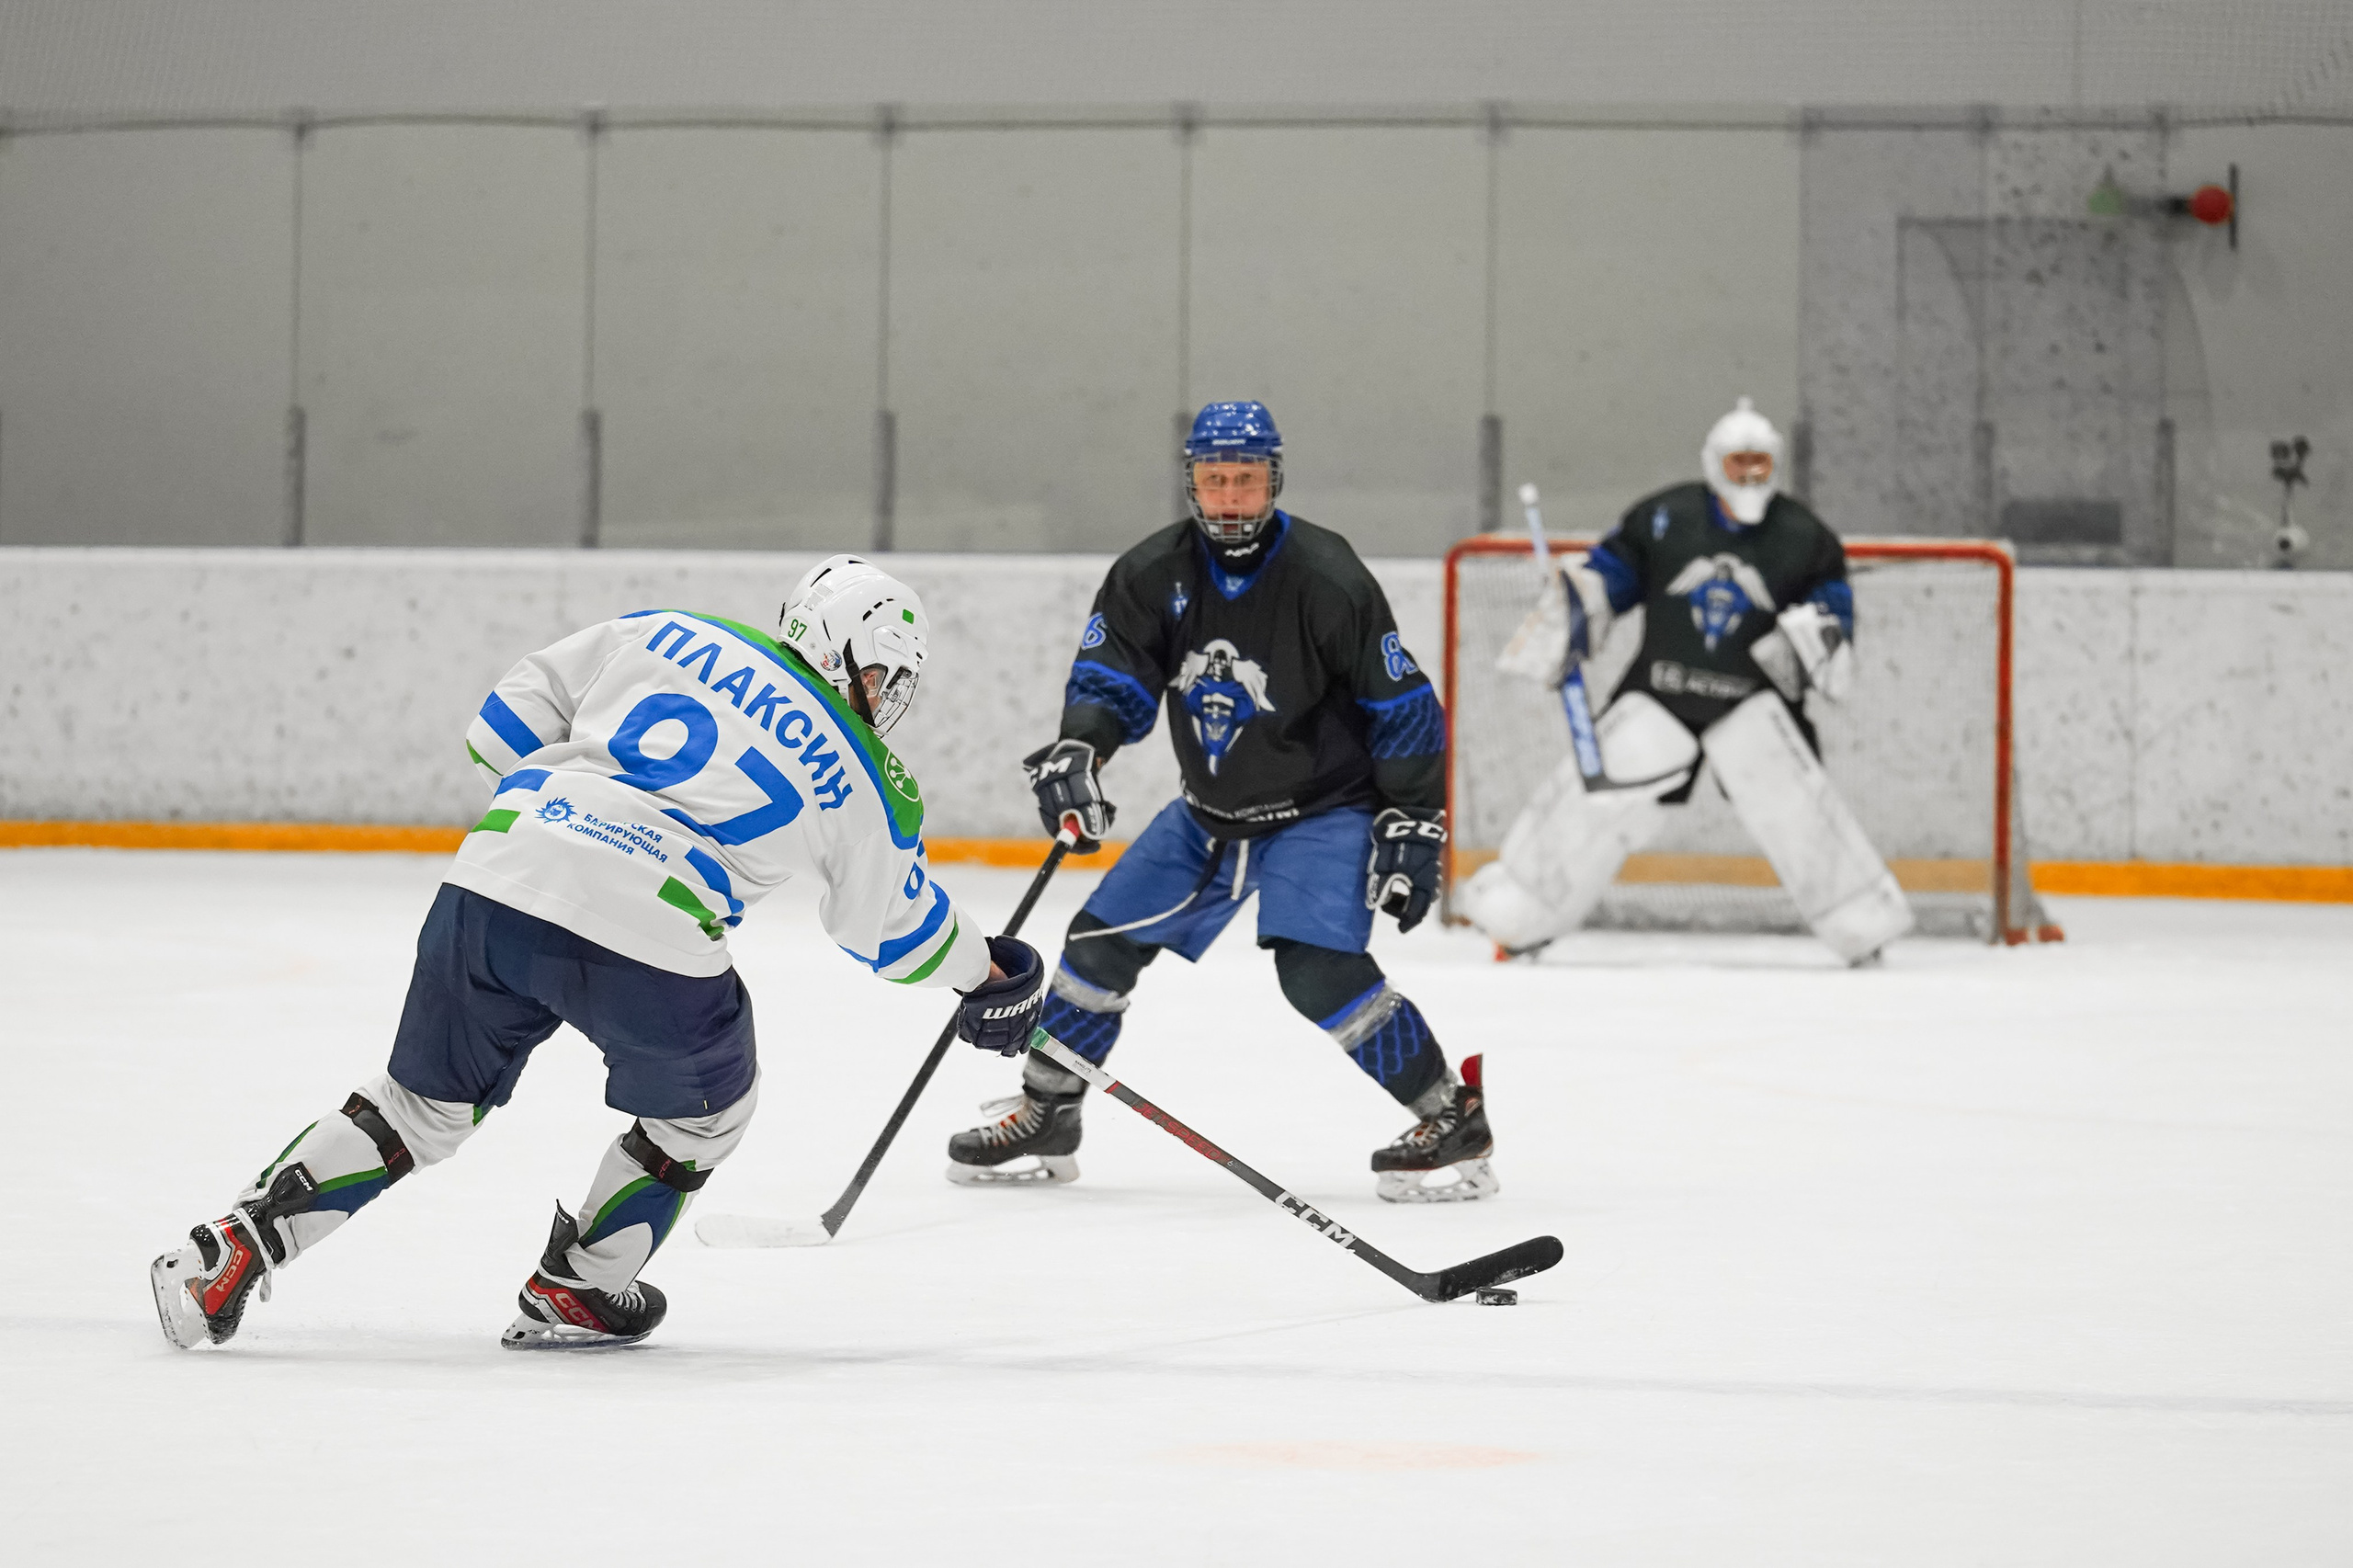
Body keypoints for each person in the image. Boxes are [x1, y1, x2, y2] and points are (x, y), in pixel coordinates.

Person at [150, 556, 1046, 1351]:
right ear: (853, 652)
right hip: (648, 932)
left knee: (417, 1109)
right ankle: (576, 1285)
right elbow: (889, 928)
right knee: (705, 1113)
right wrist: (989, 975)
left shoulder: (671, 630)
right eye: (888, 674)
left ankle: (229, 1249)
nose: (887, 698)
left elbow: (500, 723)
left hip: (499, 871)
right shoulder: (860, 767)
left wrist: (569, 820)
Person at [947, 401, 1497, 1204]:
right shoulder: (1152, 573)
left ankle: (1450, 1115)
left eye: (1244, 480)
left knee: (1318, 970)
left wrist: (1414, 821)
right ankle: (1049, 1112)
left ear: (1273, 479)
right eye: (1214, 482)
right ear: (1192, 485)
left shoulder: (1326, 574)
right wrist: (1082, 745)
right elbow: (1114, 679)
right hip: (1209, 815)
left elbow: (1399, 703)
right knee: (1096, 946)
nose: (1230, 499)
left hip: (1324, 808)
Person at [1456, 397, 1913, 965]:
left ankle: (1862, 927)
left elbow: (1833, 606)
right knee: (1591, 803)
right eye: (1738, 461)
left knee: (1798, 811)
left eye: (1761, 463)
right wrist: (1579, 600)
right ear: (1714, 462)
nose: (1749, 474)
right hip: (1661, 694)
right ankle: (1519, 916)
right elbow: (1612, 575)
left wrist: (1819, 632)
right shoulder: (1665, 517)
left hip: (1754, 703)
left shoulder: (1805, 535)